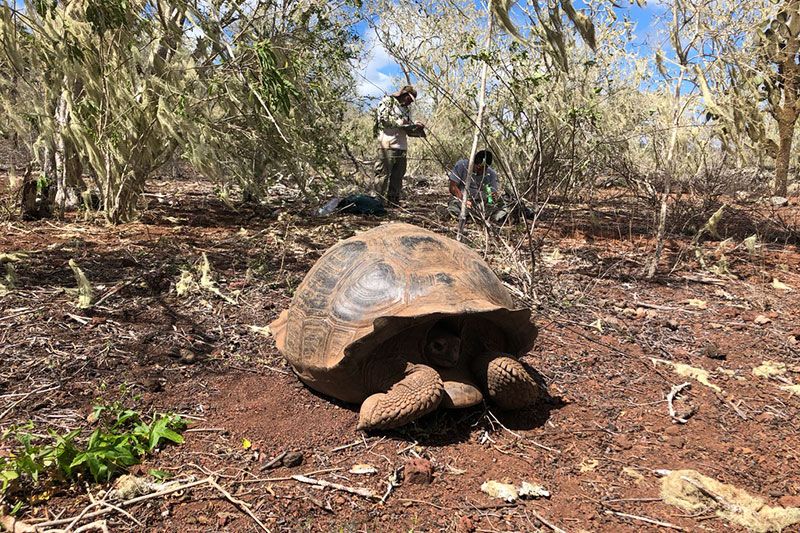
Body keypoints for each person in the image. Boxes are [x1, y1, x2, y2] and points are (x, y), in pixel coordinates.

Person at [448, 150, 534, 223]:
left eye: (483, 168)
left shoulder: (490, 174)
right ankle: (470, 216)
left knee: (504, 205)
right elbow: (453, 187)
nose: (479, 171)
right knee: (454, 209)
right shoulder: (461, 165)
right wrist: (464, 200)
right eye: (477, 167)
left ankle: (521, 212)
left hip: (481, 203)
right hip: (462, 200)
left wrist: (490, 197)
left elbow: (491, 194)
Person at [375, 85, 424, 206]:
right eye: (409, 99)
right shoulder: (387, 101)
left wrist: (416, 126)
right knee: (382, 175)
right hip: (387, 145)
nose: (410, 102)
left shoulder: (407, 109)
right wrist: (400, 122)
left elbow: (407, 127)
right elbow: (382, 119)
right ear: (403, 94)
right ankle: (378, 203)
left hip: (401, 146)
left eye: (412, 101)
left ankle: (393, 202)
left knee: (398, 176)